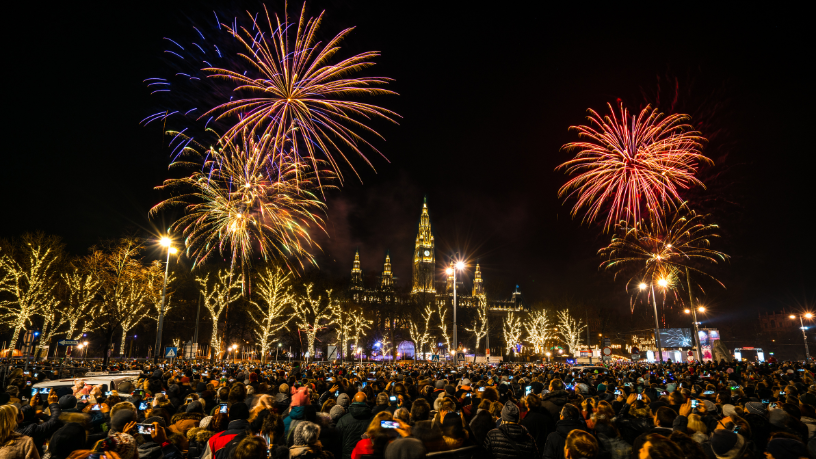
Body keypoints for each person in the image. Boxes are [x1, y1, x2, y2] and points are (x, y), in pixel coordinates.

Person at [336, 392, 373, 459]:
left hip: (348, 456)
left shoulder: (343, 420)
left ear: (352, 401)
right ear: (366, 402)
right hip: (366, 456)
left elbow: (337, 442)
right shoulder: (373, 420)